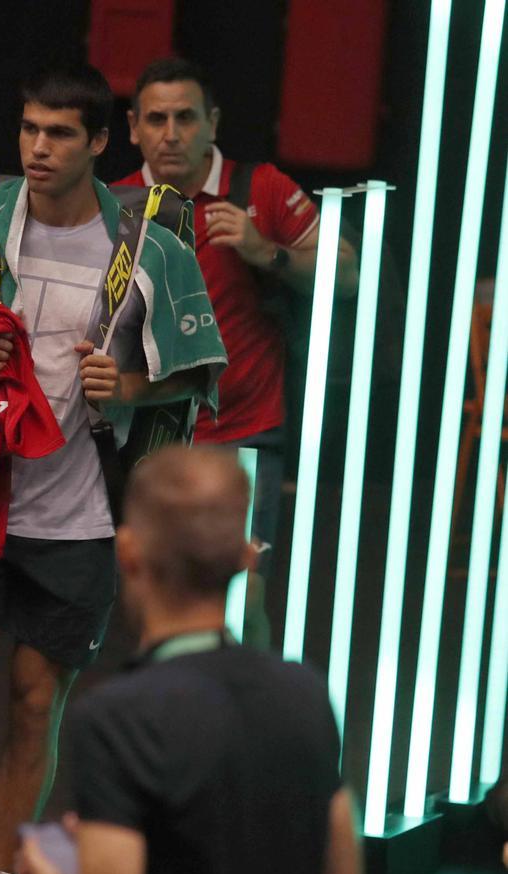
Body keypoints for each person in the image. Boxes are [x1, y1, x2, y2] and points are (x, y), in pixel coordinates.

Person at [0, 61, 226, 874]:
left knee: (36, 709)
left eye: (60, 133)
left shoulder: (150, 248)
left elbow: (202, 369)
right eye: (29, 128)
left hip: (83, 523)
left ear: (101, 142)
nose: (38, 146)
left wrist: (128, 384)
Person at [16, 446, 361, 874]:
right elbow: (342, 873)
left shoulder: (115, 721)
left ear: (128, 552)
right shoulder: (306, 693)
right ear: (247, 557)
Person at [114, 57, 359, 645]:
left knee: (241, 607)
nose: (171, 133)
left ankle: (253, 727)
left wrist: (266, 250)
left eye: (186, 118)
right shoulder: (113, 204)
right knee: (160, 604)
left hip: (244, 432)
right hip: (151, 435)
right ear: (133, 127)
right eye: (156, 119)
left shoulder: (260, 188)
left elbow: (348, 272)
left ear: (212, 122)